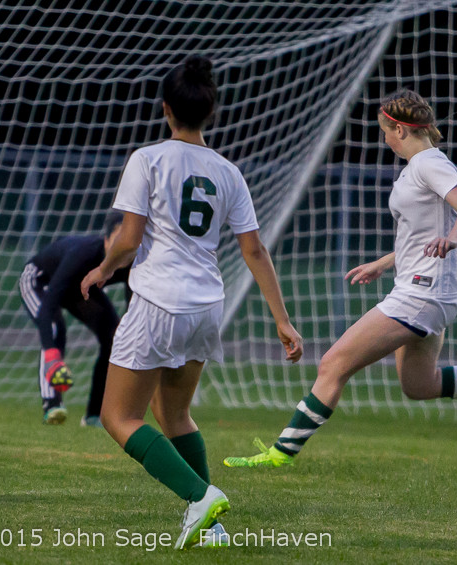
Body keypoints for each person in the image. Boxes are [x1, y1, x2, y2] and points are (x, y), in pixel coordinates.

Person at [224, 89, 457, 471]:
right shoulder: (418, 168)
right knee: (418, 385)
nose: (384, 138)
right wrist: (385, 263)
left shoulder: (428, 163)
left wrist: (453, 240)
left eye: (385, 131)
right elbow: (421, 234)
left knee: (333, 363)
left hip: (422, 292)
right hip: (427, 290)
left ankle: (279, 454)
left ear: (400, 129)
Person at [80, 54, 302, 550]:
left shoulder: (148, 159)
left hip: (159, 301)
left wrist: (104, 268)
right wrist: (282, 321)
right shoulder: (227, 172)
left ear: (165, 110)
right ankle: (213, 528)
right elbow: (254, 250)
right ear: (211, 112)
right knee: (173, 414)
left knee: (119, 417)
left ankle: (201, 497)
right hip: (207, 307)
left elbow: (129, 237)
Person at [18, 210, 130, 426]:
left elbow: (132, 308)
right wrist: (52, 355)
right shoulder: (83, 254)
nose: (122, 247)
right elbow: (50, 302)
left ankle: (94, 415)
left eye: (129, 240)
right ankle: (52, 405)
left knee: (113, 338)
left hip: (80, 289)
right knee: (54, 327)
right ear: (106, 240)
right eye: (118, 239)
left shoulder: (131, 263)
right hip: (39, 281)